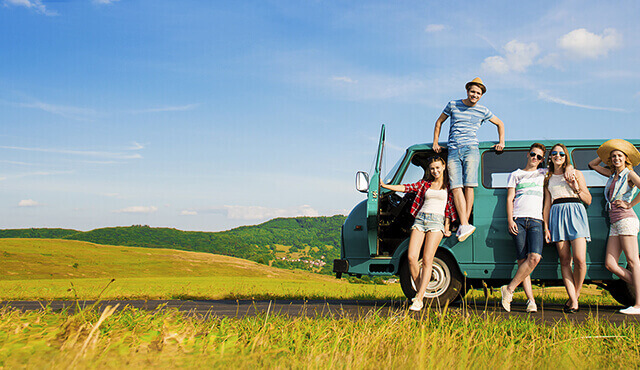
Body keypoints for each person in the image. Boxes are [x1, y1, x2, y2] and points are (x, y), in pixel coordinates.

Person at [432, 77, 505, 242]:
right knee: (456, 187)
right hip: (452, 149)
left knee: (469, 186)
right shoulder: (453, 105)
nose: (475, 95)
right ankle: (464, 224)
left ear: (481, 95)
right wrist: (436, 142)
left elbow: (500, 123)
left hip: (471, 148)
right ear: (467, 91)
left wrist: (501, 142)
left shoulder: (483, 110)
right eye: (473, 92)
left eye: (478, 93)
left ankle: (463, 224)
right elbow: (439, 122)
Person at [380, 156, 457, 311]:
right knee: (411, 257)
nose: (435, 171)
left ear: (443, 167)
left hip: (436, 222)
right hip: (420, 220)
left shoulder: (448, 186)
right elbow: (406, 188)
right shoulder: (425, 184)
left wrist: (447, 226)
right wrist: (385, 186)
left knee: (428, 260)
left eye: (437, 167)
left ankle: (420, 298)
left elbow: (449, 209)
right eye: (432, 168)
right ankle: (420, 288)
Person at [588, 139, 640, 315]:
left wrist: (630, 204)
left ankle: (638, 305)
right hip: (614, 223)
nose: (616, 158)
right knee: (610, 264)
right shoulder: (611, 175)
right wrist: (605, 153)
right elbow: (592, 164)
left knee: (633, 261)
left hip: (626, 219)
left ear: (626, 159)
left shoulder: (629, 174)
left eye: (620, 155)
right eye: (613, 156)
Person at [543, 144, 591, 313]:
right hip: (557, 215)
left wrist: (574, 186)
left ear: (566, 156)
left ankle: (574, 296)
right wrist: (546, 228)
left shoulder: (576, 173)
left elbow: (588, 199)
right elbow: (547, 207)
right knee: (564, 260)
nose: (558, 156)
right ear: (550, 157)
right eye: (554, 153)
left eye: (561, 153)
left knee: (580, 260)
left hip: (576, 213)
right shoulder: (548, 178)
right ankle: (574, 302)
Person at [499, 143, 547, 313]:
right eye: (533, 154)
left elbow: (561, 168)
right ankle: (531, 301)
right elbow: (509, 198)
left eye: (539, 157)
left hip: (536, 220)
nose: (535, 158)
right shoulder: (515, 175)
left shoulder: (543, 174)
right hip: (518, 219)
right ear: (528, 154)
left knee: (534, 258)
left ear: (542, 160)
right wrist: (510, 220)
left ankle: (509, 289)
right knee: (522, 262)